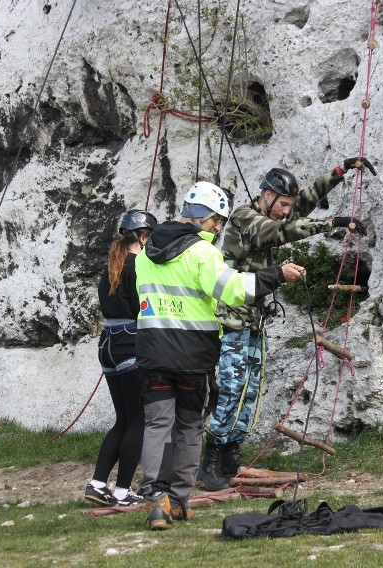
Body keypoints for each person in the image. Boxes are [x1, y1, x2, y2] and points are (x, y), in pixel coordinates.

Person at [135, 181, 305, 530]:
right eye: (216, 222)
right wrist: (277, 274)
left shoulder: (145, 253)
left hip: (151, 353)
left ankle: (156, 502)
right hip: (191, 356)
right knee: (189, 427)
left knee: (156, 427)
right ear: (205, 217)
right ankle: (180, 501)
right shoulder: (202, 253)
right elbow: (233, 289)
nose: (217, 229)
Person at [198, 158, 376, 490]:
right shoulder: (245, 219)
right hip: (231, 320)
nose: (285, 210)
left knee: (250, 391)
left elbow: (305, 201)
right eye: (281, 204)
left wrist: (340, 171)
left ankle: (231, 456)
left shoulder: (272, 213)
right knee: (231, 389)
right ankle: (210, 460)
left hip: (254, 322)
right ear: (265, 195)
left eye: (287, 206)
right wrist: (332, 223)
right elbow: (281, 232)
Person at [84, 210, 157, 507]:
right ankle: (122, 491)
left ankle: (97, 483)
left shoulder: (111, 266)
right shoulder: (140, 265)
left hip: (108, 344)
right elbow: (147, 307)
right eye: (148, 237)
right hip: (131, 342)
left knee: (123, 419)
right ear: (142, 236)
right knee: (138, 420)